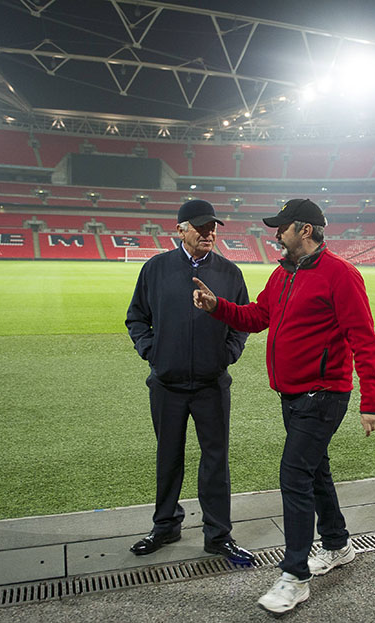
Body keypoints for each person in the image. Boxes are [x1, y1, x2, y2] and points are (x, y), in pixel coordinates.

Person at [192, 198, 375, 614]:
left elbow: (363, 339)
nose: (275, 234)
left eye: (282, 228)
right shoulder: (283, 275)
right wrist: (218, 307)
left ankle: (294, 577)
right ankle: (337, 544)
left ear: (305, 230)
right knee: (315, 471)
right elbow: (258, 316)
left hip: (324, 394)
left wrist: (371, 399)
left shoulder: (341, 274)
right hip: (292, 394)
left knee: (294, 475)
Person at [125, 199, 254, 565]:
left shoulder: (230, 273)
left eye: (213, 227)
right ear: (180, 229)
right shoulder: (156, 268)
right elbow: (136, 317)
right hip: (167, 384)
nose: (209, 233)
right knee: (168, 458)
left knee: (216, 461)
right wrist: (152, 351)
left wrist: (227, 354)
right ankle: (165, 526)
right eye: (200, 227)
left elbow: (241, 323)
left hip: (213, 385)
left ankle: (218, 535)